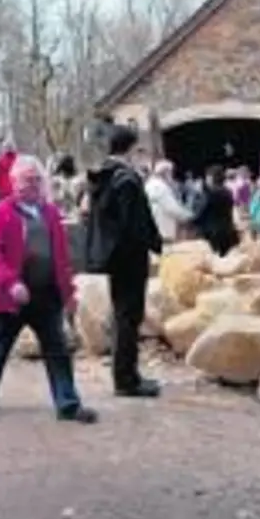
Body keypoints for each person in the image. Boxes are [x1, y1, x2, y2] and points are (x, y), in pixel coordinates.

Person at [0, 155, 98, 424]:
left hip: (46, 294)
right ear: (13, 182)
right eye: (27, 179)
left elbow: (61, 258)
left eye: (37, 179)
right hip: (11, 297)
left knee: (58, 349)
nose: (33, 185)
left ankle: (68, 404)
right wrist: (11, 282)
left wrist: (68, 295)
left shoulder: (50, 213)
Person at [83, 124, 163, 399]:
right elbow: (135, 223)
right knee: (129, 316)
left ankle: (127, 374)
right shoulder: (126, 179)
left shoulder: (105, 175)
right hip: (129, 257)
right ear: (130, 148)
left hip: (114, 256)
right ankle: (126, 379)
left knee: (123, 315)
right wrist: (153, 243)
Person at [191, 164, 240, 256]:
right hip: (228, 230)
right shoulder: (227, 192)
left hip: (212, 234)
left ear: (211, 178)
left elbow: (201, 212)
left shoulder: (210, 194)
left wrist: (191, 221)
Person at [144, 160, 193, 245]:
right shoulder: (160, 187)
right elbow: (171, 208)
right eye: (170, 173)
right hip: (163, 229)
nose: (171, 176)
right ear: (165, 173)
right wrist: (187, 216)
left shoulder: (149, 185)